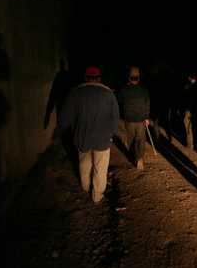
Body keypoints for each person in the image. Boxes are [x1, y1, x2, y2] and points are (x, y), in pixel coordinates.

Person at [57, 65, 119, 203]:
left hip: (82, 137)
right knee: (100, 167)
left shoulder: (75, 93)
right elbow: (115, 117)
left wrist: (63, 130)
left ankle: (85, 187)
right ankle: (97, 195)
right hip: (102, 138)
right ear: (99, 78)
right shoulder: (108, 93)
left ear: (85, 78)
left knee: (84, 164)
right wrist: (112, 133)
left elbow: (64, 117)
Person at [118, 66, 150, 170]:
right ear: (139, 78)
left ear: (129, 78)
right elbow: (147, 104)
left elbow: (120, 102)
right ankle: (140, 158)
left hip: (129, 119)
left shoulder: (124, 90)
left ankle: (134, 158)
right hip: (141, 119)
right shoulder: (144, 90)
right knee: (140, 139)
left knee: (131, 139)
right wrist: (146, 117)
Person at [182, 74, 197, 149]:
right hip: (196, 110)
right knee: (193, 127)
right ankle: (193, 143)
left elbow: (187, 99)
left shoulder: (189, 87)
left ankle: (190, 144)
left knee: (189, 127)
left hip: (190, 110)